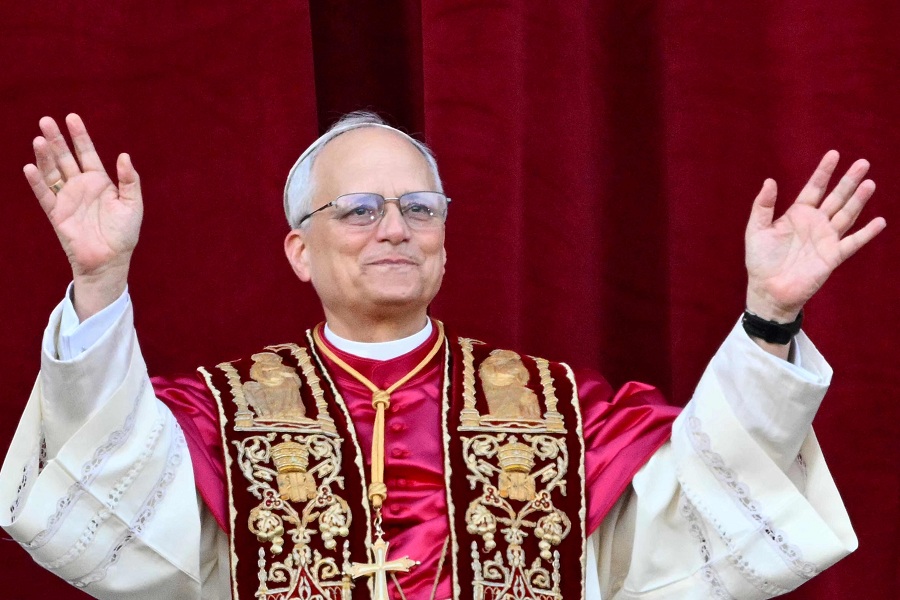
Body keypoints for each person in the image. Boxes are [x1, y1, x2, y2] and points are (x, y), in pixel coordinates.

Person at [0, 111, 882, 600]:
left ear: (447, 245)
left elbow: (706, 509)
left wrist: (769, 315)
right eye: (359, 210)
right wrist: (100, 284)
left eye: (420, 209)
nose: (394, 228)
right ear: (299, 251)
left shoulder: (561, 408)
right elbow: (103, 483)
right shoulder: (219, 413)